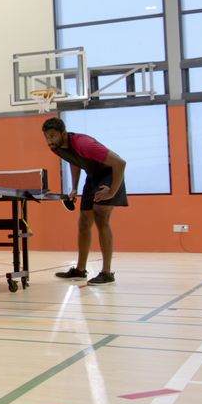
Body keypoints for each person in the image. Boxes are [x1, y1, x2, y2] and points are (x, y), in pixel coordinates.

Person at [43, 117, 127, 285]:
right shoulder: (56, 147)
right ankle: (80, 270)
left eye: (52, 136)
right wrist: (74, 187)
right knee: (83, 223)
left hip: (109, 174)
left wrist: (111, 191)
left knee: (101, 217)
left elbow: (120, 162)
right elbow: (74, 161)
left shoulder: (84, 144)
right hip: (93, 177)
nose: (49, 140)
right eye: (46, 136)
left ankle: (107, 272)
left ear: (63, 133)